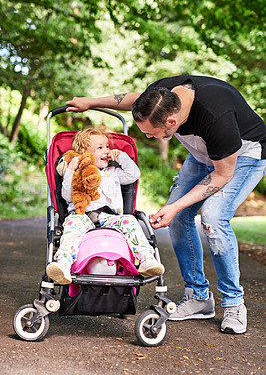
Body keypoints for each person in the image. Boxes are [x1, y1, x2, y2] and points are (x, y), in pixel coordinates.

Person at [65, 75, 266, 334]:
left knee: (213, 218)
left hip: (244, 155)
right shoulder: (161, 95)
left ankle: (234, 303)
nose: (148, 135)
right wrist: (90, 103)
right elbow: (133, 100)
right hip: (203, 153)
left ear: (172, 122)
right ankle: (198, 298)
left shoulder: (217, 117)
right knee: (179, 217)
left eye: (151, 132)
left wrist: (176, 206)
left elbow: (222, 174)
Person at [46, 128, 165, 284]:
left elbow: (133, 175)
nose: (106, 151)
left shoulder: (114, 172)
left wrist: (121, 156)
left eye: (107, 146)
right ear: (84, 154)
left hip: (110, 218)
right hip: (82, 216)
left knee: (129, 220)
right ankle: (63, 264)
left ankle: (146, 258)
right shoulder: (77, 174)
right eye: (100, 148)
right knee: (72, 228)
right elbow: (67, 196)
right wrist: (70, 170)